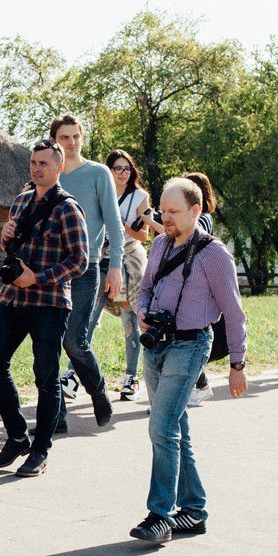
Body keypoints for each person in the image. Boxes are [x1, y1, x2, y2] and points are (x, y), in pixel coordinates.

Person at [128, 178, 249, 543]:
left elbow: (234, 312)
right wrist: (143, 311)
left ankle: (159, 514)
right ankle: (194, 511)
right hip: (156, 344)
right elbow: (146, 287)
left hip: (191, 344)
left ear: (195, 211)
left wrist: (237, 365)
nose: (165, 218)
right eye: (162, 211)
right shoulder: (161, 245)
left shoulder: (214, 254)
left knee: (161, 427)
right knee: (175, 427)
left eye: (173, 212)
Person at [0, 138, 90, 478]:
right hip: (13, 299)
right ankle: (17, 436)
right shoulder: (21, 200)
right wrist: (7, 237)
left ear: (59, 167)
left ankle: (41, 449)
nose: (37, 168)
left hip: (50, 303)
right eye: (34, 162)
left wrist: (39, 278)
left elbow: (81, 261)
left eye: (44, 163)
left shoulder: (69, 208)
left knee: (46, 377)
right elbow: (11, 247)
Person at [50, 114, 124, 431]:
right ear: (55, 140)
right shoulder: (47, 174)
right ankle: (57, 414)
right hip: (49, 272)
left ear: (82, 138)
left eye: (75, 136)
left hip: (85, 267)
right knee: (49, 341)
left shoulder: (98, 173)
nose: (71, 142)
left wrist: (116, 265)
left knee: (74, 341)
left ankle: (98, 392)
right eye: (64, 137)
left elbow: (114, 223)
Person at [103, 150, 155, 400]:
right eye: (117, 168)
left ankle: (131, 376)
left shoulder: (139, 197)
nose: (123, 173)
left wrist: (118, 224)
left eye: (127, 168)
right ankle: (74, 373)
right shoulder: (101, 191)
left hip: (131, 258)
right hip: (103, 257)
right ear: (109, 169)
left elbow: (144, 236)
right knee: (90, 317)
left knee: (132, 317)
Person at [182, 170, 219, 405]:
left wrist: (150, 221)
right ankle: (200, 384)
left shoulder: (202, 218)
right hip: (188, 281)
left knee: (192, 336)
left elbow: (190, 243)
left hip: (196, 283)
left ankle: (201, 385)